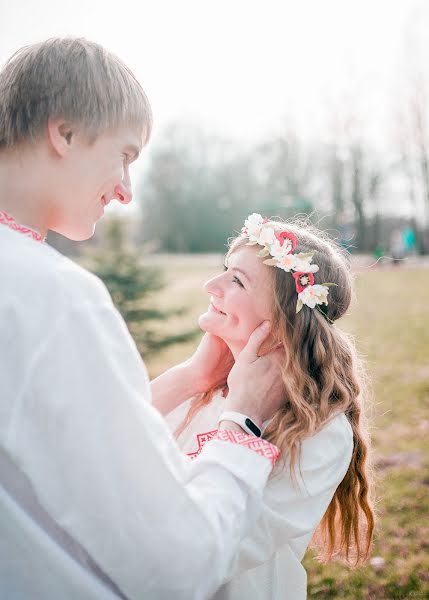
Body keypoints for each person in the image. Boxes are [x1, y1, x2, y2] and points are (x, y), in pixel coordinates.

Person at [0, 38, 286, 600]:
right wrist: (245, 423)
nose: (127, 192)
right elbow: (178, 566)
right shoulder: (53, 297)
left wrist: (190, 381)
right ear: (64, 133)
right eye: (125, 155)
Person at [154, 214, 376, 599]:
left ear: (284, 323)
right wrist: (190, 377)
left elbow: (207, 553)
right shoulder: (200, 389)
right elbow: (106, 453)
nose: (211, 285)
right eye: (225, 269)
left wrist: (242, 417)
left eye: (236, 280)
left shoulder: (318, 433)